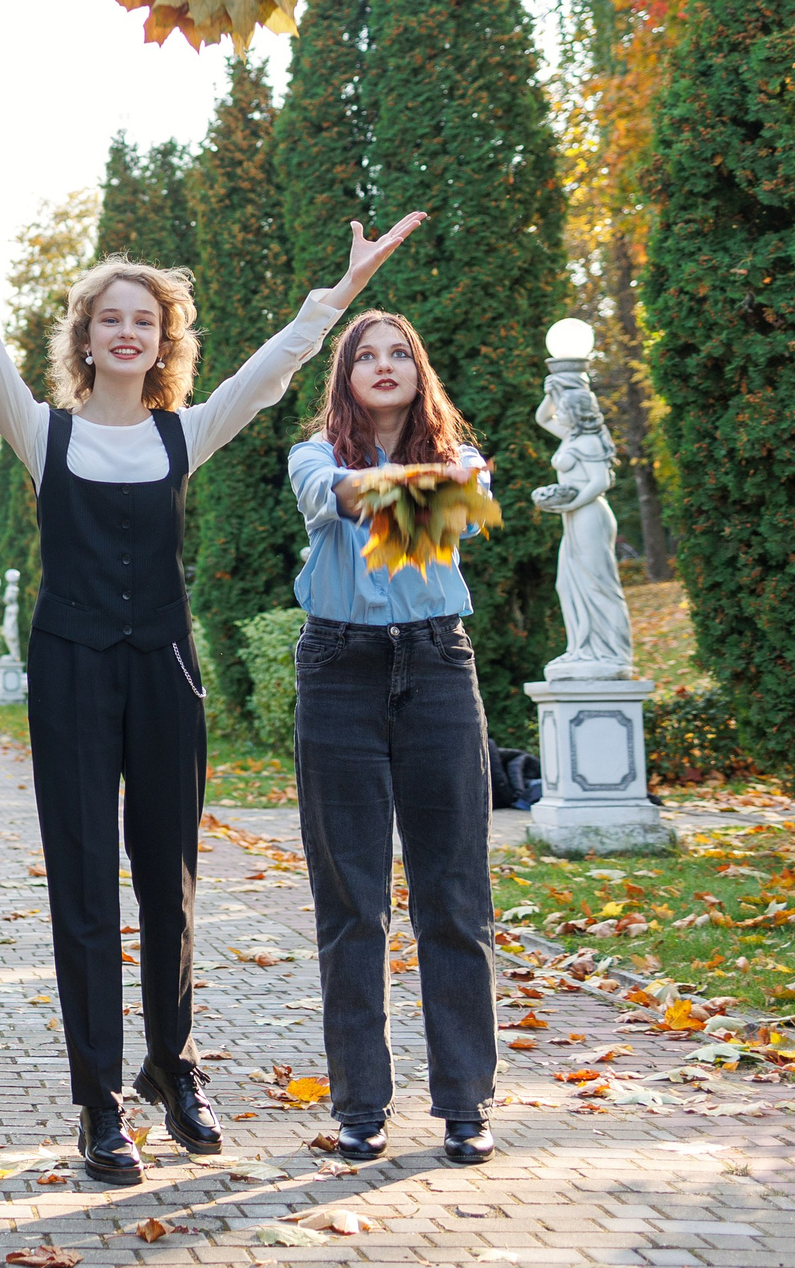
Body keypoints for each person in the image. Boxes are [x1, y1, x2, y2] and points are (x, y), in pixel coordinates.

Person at [0, 133, 423, 1187]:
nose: (124, 331)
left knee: (171, 883)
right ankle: (97, 1101)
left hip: (161, 671)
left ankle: (173, 1066)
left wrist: (342, 289)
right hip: (68, 675)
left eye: (142, 320)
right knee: (80, 891)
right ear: (85, 337)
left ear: (162, 343)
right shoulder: (41, 432)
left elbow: (275, 365)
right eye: (108, 317)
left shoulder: (182, 433)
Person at [287, 312, 498, 1166]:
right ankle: (362, 1108)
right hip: (338, 670)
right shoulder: (311, 455)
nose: (382, 365)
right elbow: (341, 497)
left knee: (454, 894)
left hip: (439, 667)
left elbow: (441, 514)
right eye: (364, 355)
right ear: (343, 375)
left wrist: (397, 492)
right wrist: (426, 490)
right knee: (353, 904)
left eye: (398, 353)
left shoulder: (467, 456)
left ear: (420, 372)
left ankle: (465, 1106)